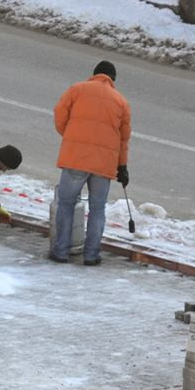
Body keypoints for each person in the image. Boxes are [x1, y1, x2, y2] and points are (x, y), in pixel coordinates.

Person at [50, 60, 132, 266]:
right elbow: (124, 139)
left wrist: (70, 135)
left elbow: (59, 114)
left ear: (94, 74)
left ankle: (60, 252)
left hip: (75, 158)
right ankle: (91, 255)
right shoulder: (122, 102)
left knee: (66, 204)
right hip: (103, 166)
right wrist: (122, 167)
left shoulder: (77, 89)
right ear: (112, 79)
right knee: (97, 209)